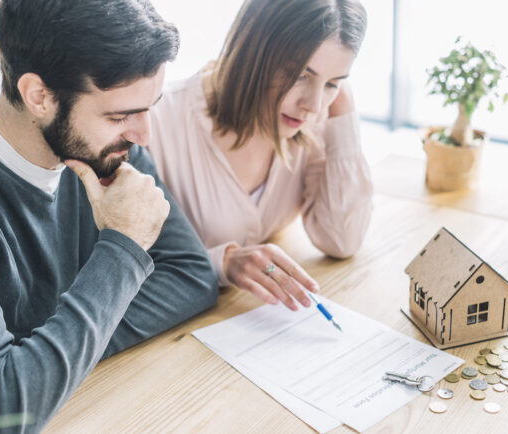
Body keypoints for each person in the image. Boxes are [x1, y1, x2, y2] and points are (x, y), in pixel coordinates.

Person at [0, 0, 218, 431]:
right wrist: (124, 246)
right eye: (120, 115)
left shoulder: (103, 146)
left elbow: (192, 276)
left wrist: (45, 357)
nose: (142, 135)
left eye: (148, 107)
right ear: (39, 96)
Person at [148, 0, 372, 312]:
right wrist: (222, 262)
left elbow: (341, 239)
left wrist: (343, 112)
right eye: (300, 74)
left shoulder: (314, 119)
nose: (313, 105)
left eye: (333, 83)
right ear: (252, 48)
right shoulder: (157, 123)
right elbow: (122, 265)